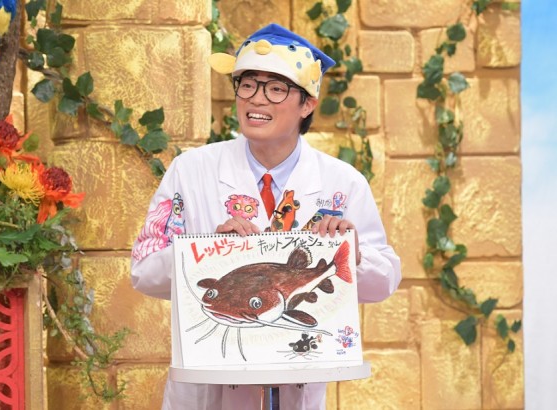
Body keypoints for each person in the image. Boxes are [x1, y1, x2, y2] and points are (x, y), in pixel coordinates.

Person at [131, 23, 401, 410]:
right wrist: (205, 252)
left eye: (275, 88)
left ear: (307, 104)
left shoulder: (342, 183)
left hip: (297, 383)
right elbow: (143, 270)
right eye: (247, 85)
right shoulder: (190, 171)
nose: (256, 99)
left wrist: (354, 254)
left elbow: (385, 280)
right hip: (207, 391)